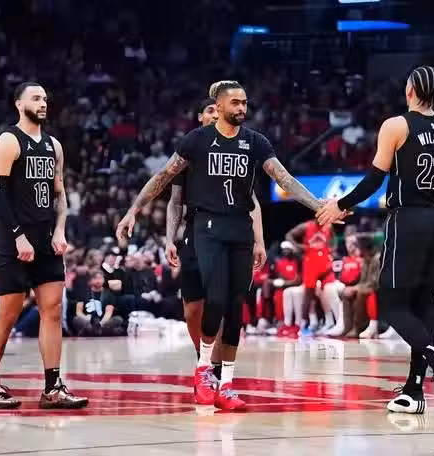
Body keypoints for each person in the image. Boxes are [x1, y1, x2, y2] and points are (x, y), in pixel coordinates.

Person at [117, 80, 324, 410]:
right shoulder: (197, 140)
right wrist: (133, 210)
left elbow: (284, 179)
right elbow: (163, 178)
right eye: (236, 103)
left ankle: (226, 383)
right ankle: (204, 369)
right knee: (213, 298)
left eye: (245, 103)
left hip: (240, 227)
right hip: (207, 226)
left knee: (234, 307)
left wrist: (317, 205)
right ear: (220, 105)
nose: (242, 108)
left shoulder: (255, 142)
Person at [317, 66, 434, 415]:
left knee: (391, 306)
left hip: (407, 220)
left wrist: (340, 205)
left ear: (410, 91)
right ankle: (413, 391)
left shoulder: (396, 125)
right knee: (421, 307)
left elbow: (375, 178)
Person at [0, 82, 87, 409]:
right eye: (36, 98)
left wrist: (60, 230)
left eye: (45, 98)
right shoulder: (8, 140)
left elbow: (59, 194)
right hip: (15, 240)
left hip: (46, 239)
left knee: (52, 311)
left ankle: (53, 388)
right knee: (9, 312)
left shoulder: (53, 145)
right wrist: (18, 235)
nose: (43, 103)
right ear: (18, 103)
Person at [164, 94, 266, 384]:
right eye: (208, 110)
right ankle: (204, 359)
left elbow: (252, 202)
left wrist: (259, 240)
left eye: (216, 109)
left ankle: (215, 368)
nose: (213, 114)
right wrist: (169, 239)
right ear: (201, 117)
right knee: (193, 308)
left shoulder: (239, 149)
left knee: (221, 302)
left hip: (231, 231)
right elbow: (174, 201)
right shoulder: (191, 148)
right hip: (196, 233)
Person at [285, 220, 334, 331]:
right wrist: (299, 246)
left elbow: (333, 239)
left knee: (326, 290)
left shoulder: (329, 226)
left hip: (325, 261)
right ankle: (304, 322)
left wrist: (332, 248)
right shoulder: (306, 227)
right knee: (309, 293)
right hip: (311, 262)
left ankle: (329, 321)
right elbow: (288, 235)